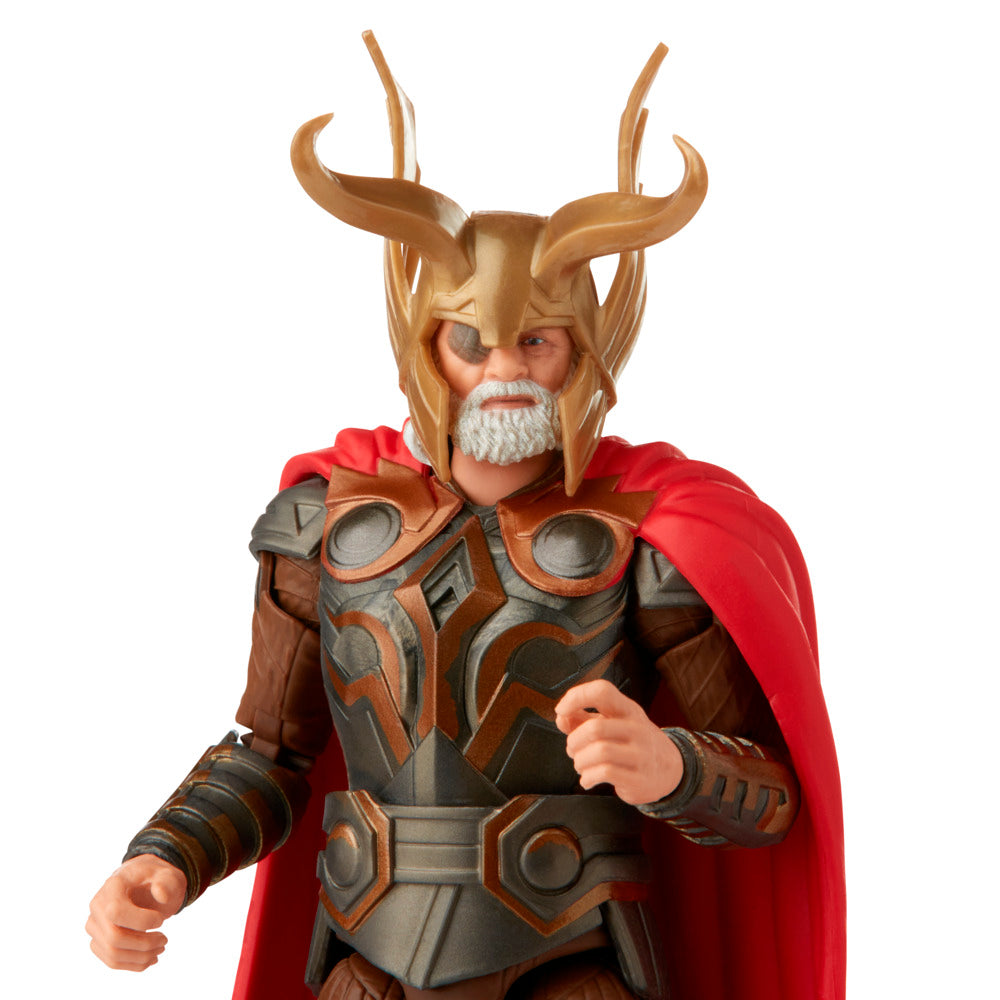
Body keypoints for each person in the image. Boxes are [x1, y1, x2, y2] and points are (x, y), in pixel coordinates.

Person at [87, 33, 844, 1000]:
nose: (505, 370)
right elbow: (272, 755)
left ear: (582, 347)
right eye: (473, 343)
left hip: (569, 967)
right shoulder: (327, 520)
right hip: (364, 966)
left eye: (536, 341)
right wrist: (165, 858)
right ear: (426, 344)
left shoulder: (647, 542)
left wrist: (672, 768)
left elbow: (771, 797)